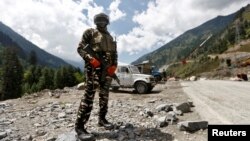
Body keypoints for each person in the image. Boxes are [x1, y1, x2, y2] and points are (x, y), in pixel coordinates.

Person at [75, 13, 118, 141]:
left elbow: (115, 53)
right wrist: (91, 59)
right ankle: (80, 127)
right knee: (89, 95)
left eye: (103, 21)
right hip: (93, 69)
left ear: (107, 22)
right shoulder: (90, 32)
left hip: (107, 70)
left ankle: (102, 119)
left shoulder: (110, 37)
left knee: (104, 95)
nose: (101, 23)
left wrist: (114, 66)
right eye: (99, 21)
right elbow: (80, 48)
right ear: (95, 22)